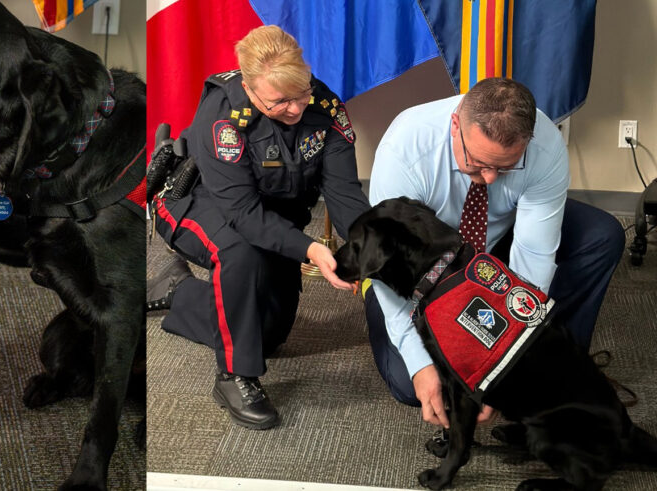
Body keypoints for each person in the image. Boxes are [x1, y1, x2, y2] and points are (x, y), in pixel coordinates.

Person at [364, 77, 624, 428]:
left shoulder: (544, 146)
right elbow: (389, 268)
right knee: (416, 384)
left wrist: (508, 358)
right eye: (477, 162)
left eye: (505, 167)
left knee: (601, 235)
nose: (488, 179)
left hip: (497, 244)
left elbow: (533, 255)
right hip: (420, 272)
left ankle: (554, 368)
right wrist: (420, 364)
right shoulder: (406, 150)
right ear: (456, 124)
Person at [147, 25, 368, 429]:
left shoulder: (326, 107)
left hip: (274, 218)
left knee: (266, 335)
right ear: (249, 88)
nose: (296, 108)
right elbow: (243, 215)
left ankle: (179, 291)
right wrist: (312, 249)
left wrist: (371, 248)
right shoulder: (223, 118)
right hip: (197, 204)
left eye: (300, 94)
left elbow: (345, 193)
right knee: (239, 253)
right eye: (279, 101)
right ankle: (234, 377)